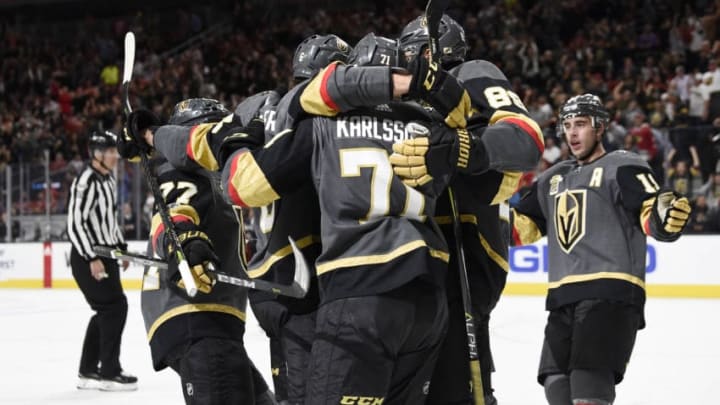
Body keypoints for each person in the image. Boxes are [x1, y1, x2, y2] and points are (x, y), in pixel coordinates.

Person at [391, 14, 544, 404]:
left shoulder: (471, 73)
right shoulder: (394, 96)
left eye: (412, 52)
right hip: (408, 257)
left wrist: (465, 149)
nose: (403, 61)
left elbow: (525, 140)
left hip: (461, 252)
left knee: (456, 386)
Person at [511, 94, 691, 405]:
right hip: (562, 296)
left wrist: (664, 218)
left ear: (600, 127)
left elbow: (650, 209)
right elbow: (520, 227)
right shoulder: (553, 178)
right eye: (567, 126)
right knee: (555, 382)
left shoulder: (623, 165)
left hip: (610, 292)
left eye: (580, 124)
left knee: (588, 387)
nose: (572, 133)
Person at [121, 98, 276, 404]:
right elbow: (174, 216)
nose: (218, 139)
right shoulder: (186, 169)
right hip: (198, 316)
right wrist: (186, 242)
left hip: (206, 320)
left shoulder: (202, 175)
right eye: (212, 130)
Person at [66, 130, 137, 391]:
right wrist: (91, 257)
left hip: (106, 255)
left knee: (108, 310)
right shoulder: (85, 181)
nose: (115, 156)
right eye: (109, 151)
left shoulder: (107, 179)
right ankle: (109, 372)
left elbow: (108, 221)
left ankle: (88, 371)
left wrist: (122, 249)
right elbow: (74, 224)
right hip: (89, 257)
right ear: (97, 154)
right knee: (114, 308)